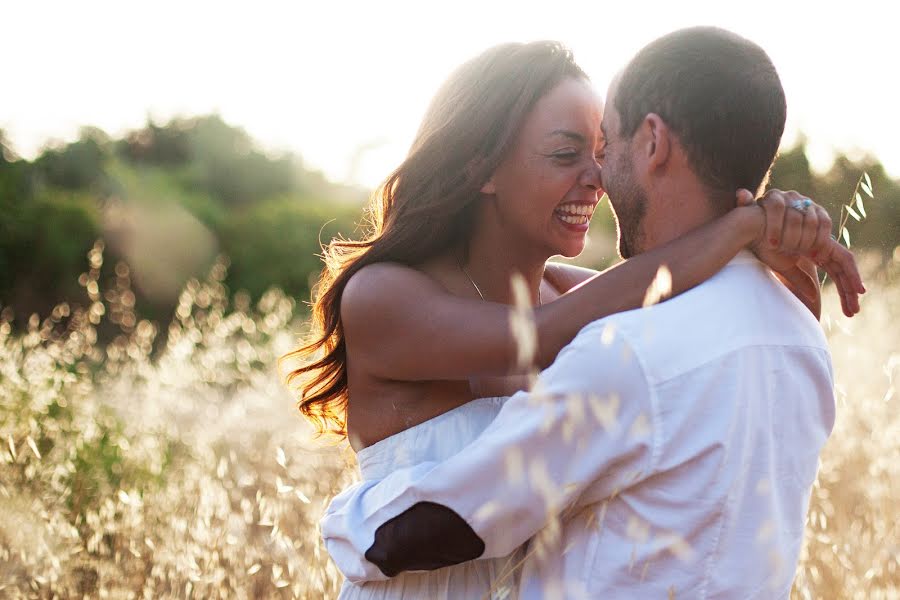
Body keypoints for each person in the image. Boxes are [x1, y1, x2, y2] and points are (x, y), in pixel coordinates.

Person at [317, 28, 864, 599]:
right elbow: (538, 336)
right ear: (480, 168)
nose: (598, 177)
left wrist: (762, 248)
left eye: (601, 151)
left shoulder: (586, 298)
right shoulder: (385, 295)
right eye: (564, 154)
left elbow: (731, 337)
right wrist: (741, 226)